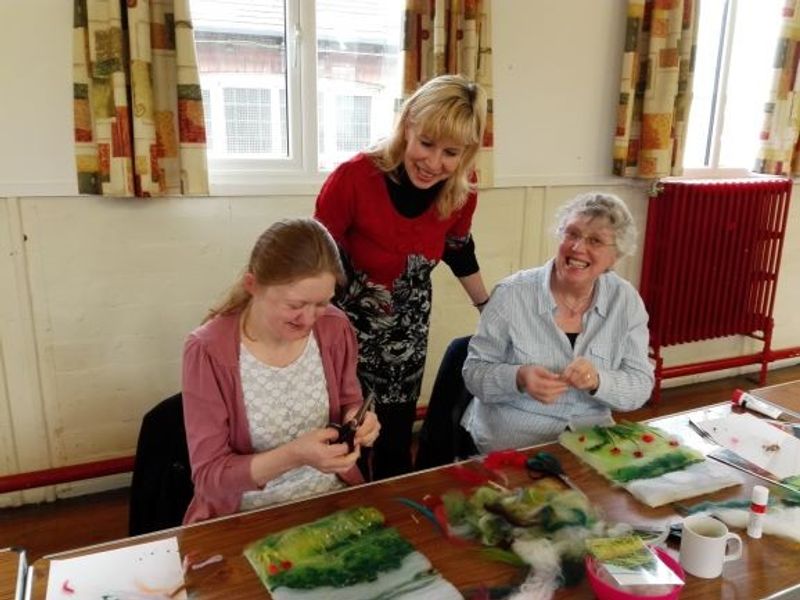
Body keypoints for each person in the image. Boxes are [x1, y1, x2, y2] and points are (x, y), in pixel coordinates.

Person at [314, 74, 490, 479]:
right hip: (344, 330)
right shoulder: (355, 177)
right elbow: (315, 256)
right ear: (407, 124)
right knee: (344, 436)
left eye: (450, 153)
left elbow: (458, 249)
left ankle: (394, 521)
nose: (433, 163)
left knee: (394, 437)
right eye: (426, 144)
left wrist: (489, 308)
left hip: (407, 333)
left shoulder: (462, 190)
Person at [181, 218, 380, 524]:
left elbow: (349, 402)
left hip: (331, 500)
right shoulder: (209, 350)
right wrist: (294, 455)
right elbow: (210, 477)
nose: (309, 319)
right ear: (253, 286)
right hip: (246, 516)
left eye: (322, 303)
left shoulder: (335, 328)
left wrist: (360, 420)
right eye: (295, 305)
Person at [460, 192, 654, 453]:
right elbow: (474, 374)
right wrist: (518, 377)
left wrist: (599, 380)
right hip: (511, 443)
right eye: (572, 234)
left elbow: (640, 384)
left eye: (595, 241)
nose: (578, 248)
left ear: (615, 257)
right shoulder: (512, 293)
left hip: (591, 442)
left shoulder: (626, 301)